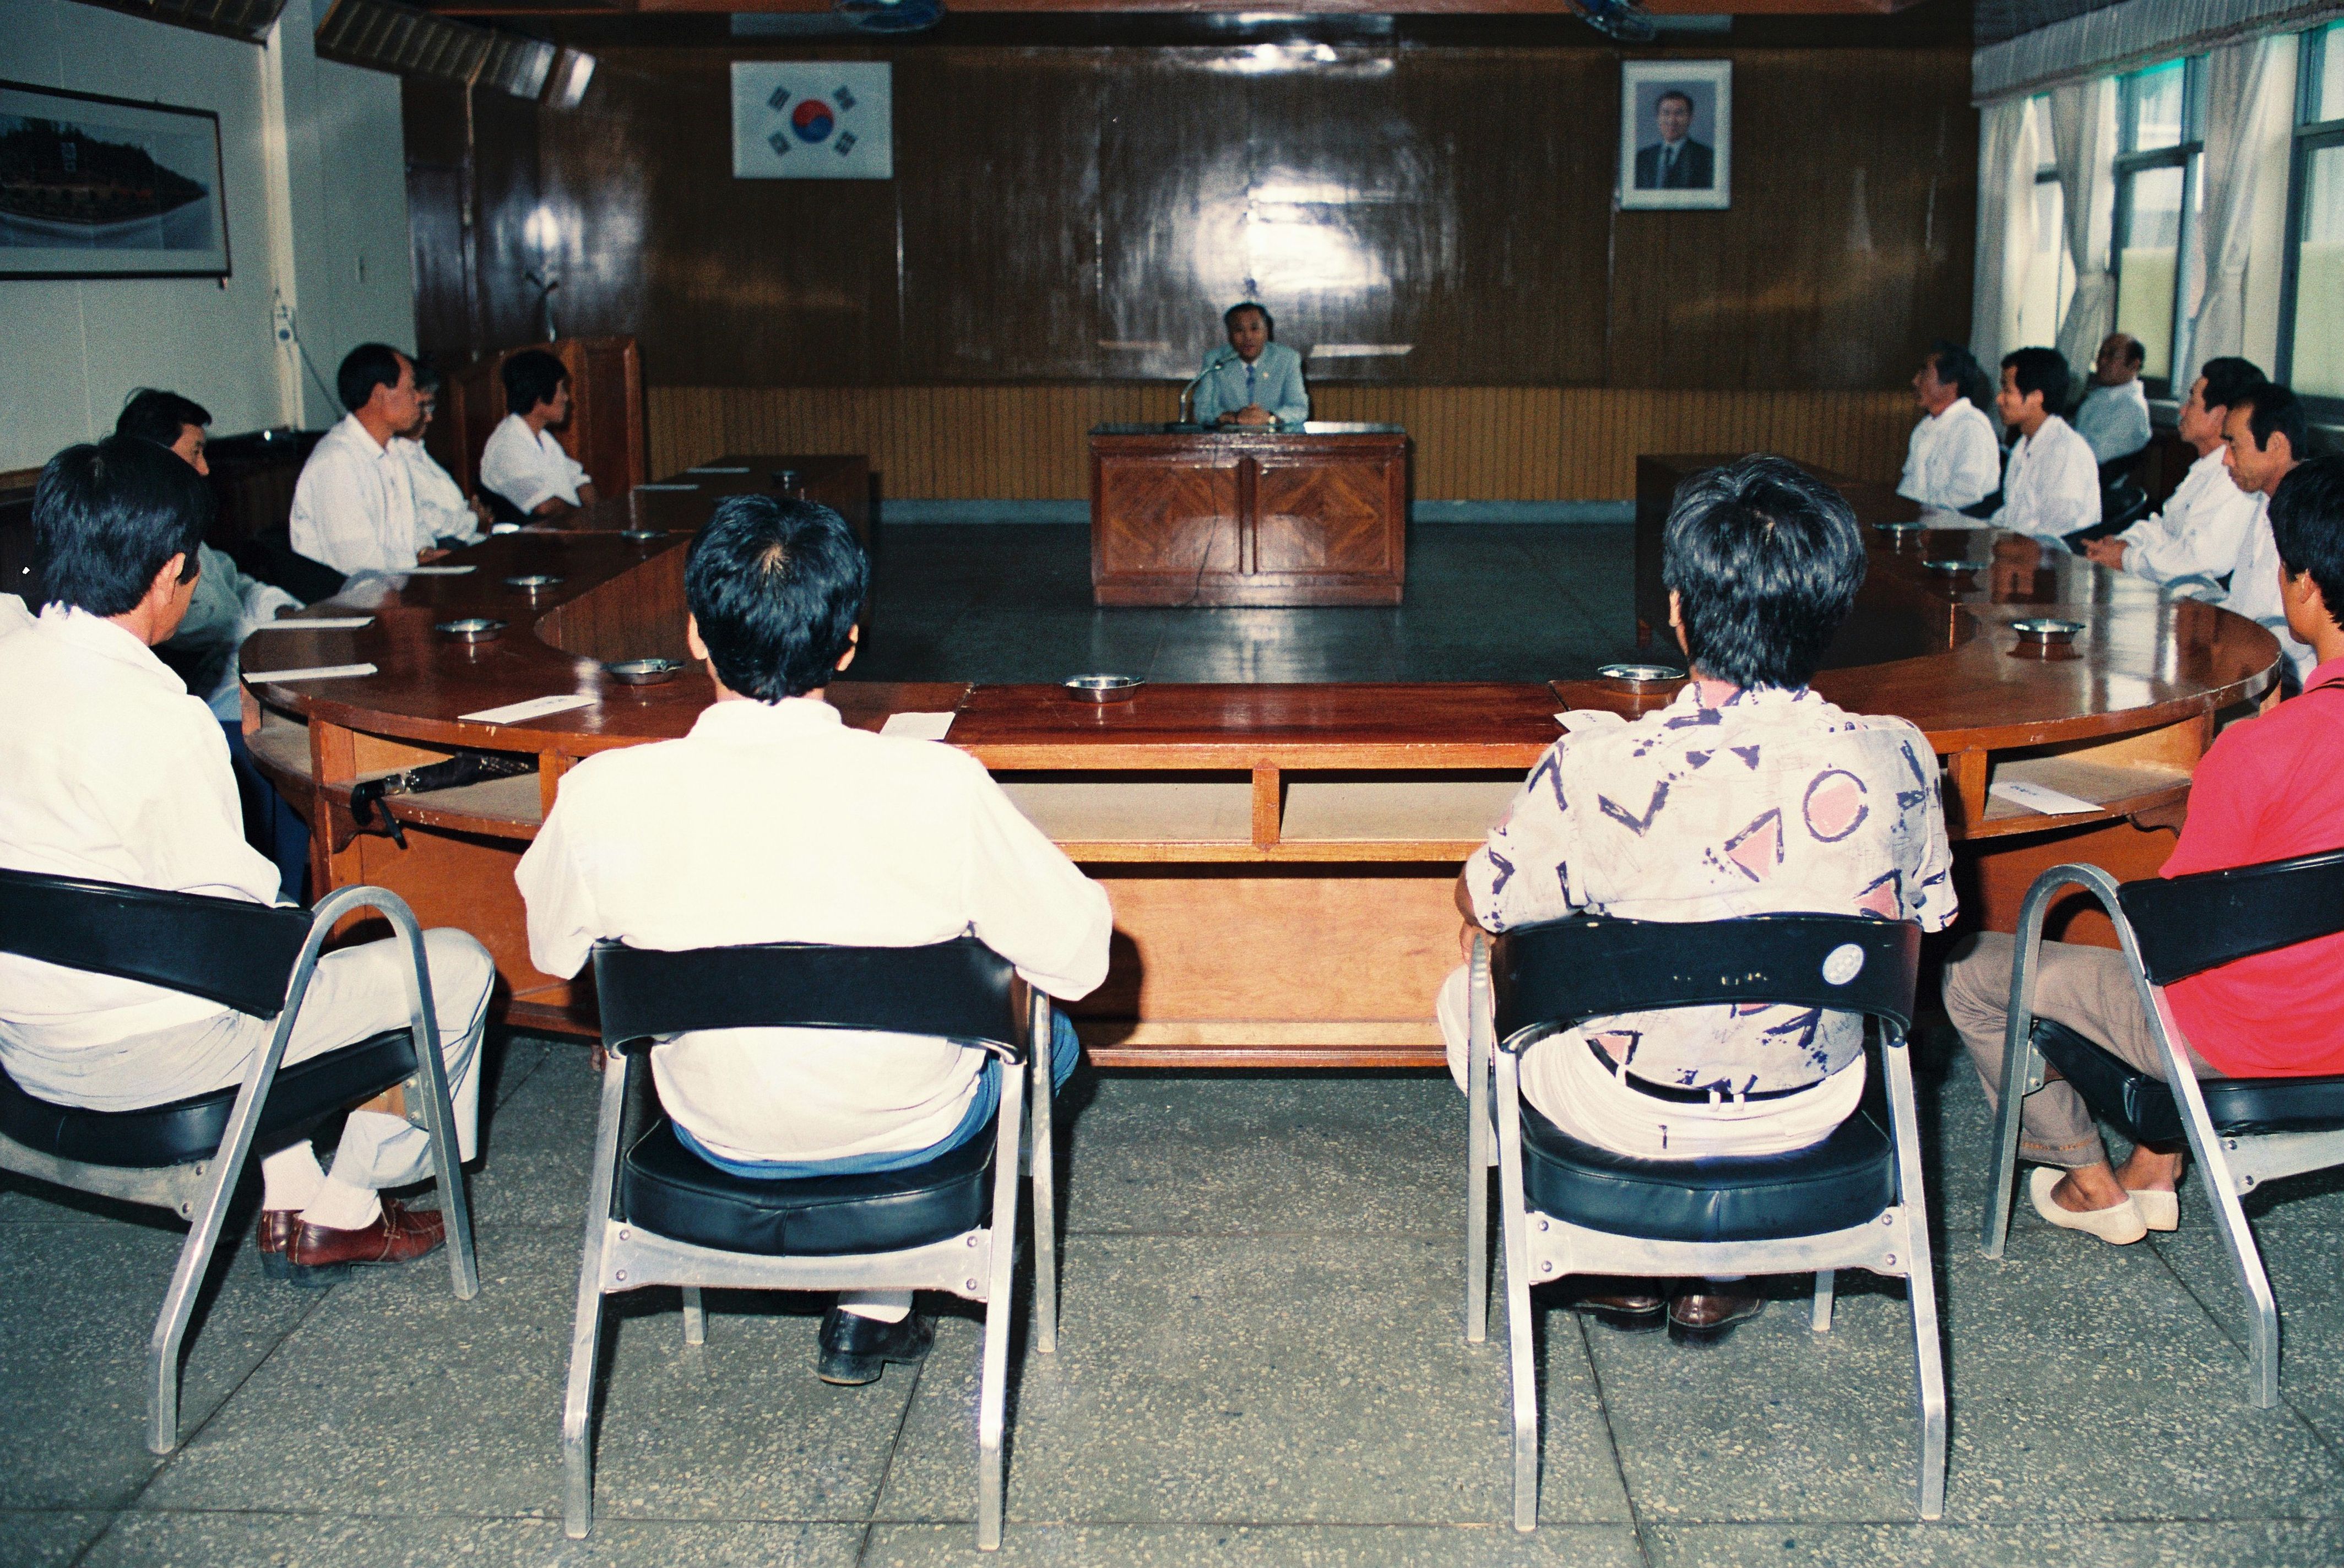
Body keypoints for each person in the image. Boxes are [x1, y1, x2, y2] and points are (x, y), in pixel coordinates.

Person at [516, 494, 1112, 1385]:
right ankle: (878, 1295)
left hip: (710, 1132)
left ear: (693, 634)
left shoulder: (604, 792)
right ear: (848, 643)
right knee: (1051, 1035)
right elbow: (1084, 954)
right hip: (916, 1139)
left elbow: (553, 951)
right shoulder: (937, 786)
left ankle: (873, 1296)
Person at [1438, 455, 1956, 1342]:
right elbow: (1930, 923)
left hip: (1630, 1109)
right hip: (1816, 1101)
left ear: (1677, 608)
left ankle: (1616, 1251)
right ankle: (1719, 1270)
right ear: (1834, 608)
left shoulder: (1599, 766)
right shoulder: (1899, 757)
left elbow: (1485, 901)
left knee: (1468, 984)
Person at [0, 437, 493, 1283]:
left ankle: (291, 1183)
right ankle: (349, 1206)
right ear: (169, 577)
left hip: (26, 1043)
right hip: (158, 1057)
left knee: (253, 947)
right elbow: (252, 959)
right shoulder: (160, 720)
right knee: (454, 964)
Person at [1944, 454, 2344, 1246]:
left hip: (2240, 1038)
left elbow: (2171, 945)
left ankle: (2089, 1178)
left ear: (2300, 585)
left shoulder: (2262, 750)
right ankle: (2152, 1169)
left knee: (1969, 973)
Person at [114, 389, 310, 901]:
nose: (204, 470)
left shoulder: (191, 533)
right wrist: (257, 630)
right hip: (209, 705)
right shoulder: (141, 545)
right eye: (195, 452)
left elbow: (237, 583)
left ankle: (295, 895)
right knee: (286, 751)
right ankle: (285, 902)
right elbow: (207, 626)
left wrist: (279, 610)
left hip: (238, 686)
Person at [2082, 357, 2265, 586]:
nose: (2183, 410)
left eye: (2193, 402)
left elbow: (2202, 560)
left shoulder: (2237, 480)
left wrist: (2127, 559)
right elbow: (2166, 528)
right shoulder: (2206, 467)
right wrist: (2123, 543)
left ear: (2219, 416)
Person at [288, 344, 431, 576]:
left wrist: (425, 552)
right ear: (380, 396)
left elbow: (415, 530)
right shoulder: (336, 462)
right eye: (411, 389)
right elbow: (357, 564)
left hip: (398, 583)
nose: (419, 398)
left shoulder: (394, 452)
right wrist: (416, 561)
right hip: (347, 599)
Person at [2215, 381, 2316, 685]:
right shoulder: (2265, 502)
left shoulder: (2315, 514)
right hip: (2253, 661)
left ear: (2276, 445)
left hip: (2294, 680)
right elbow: (2244, 603)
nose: (2226, 460)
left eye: (2235, 446)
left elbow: (2301, 636)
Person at [1989, 346, 2102, 542]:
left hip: (2049, 560)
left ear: (2036, 397)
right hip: (2019, 547)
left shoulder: (2066, 452)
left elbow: (2057, 533)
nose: (1999, 399)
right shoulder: (2024, 444)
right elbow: (2013, 513)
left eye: (2007, 390)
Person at [478, 350, 596, 519]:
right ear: (539, 397)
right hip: (531, 541)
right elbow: (544, 506)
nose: (566, 398)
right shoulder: (506, 446)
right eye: (561, 388)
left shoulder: (542, 438)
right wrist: (583, 518)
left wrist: (598, 517)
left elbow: (580, 482)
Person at [1896, 341, 2002, 511]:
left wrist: (1920, 513)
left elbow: (1966, 495)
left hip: (1955, 529)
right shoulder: (1925, 427)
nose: (1915, 381)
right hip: (1924, 522)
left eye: (1924, 373)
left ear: (1951, 384)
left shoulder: (1971, 427)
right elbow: (1910, 485)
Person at [396, 360, 490, 548]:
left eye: (431, 408)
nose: (428, 417)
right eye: (423, 407)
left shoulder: (417, 450)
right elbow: (425, 518)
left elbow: (448, 507)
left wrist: (475, 516)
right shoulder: (393, 457)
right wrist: (472, 520)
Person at [1191, 303, 1309, 429]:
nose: (1248, 337)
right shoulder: (1215, 360)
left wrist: (1270, 418)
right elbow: (1201, 411)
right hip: (1227, 443)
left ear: (1267, 332)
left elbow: (1300, 409)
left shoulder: (1288, 359)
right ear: (1230, 336)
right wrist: (1235, 417)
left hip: (1275, 441)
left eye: (1255, 329)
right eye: (1239, 330)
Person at [2072, 332, 2153, 465]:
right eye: (2101, 354)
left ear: (2134, 365)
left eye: (2112, 355)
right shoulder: (2100, 396)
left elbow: (2093, 457)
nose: (2102, 361)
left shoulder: (2131, 408)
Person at [1633, 88, 1714, 189]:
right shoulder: (1642, 159)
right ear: (1658, 118)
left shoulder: (1707, 158)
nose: (1672, 121)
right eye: (1666, 113)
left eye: (1679, 113)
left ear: (1690, 118)